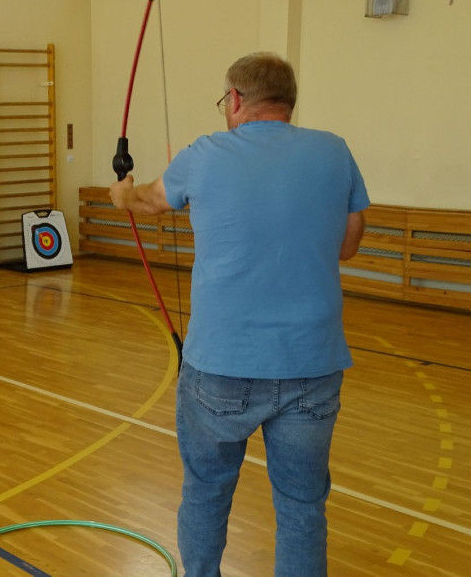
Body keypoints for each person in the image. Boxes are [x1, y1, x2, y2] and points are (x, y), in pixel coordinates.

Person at [109, 52, 369, 577]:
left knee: (206, 491)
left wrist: (120, 193)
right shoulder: (334, 152)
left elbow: (150, 200)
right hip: (312, 364)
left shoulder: (204, 153)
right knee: (302, 505)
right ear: (288, 103)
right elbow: (348, 246)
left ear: (234, 100)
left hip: (221, 367)